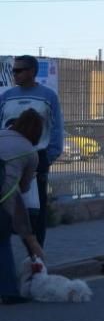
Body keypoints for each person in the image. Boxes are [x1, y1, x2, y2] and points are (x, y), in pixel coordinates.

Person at [0, 55, 63, 249]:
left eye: (19, 70)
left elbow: (56, 128)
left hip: (37, 158)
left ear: (32, 72)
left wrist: (48, 158)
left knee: (36, 209)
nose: (15, 74)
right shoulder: (6, 97)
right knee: (5, 207)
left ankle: (36, 257)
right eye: (13, 70)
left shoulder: (48, 96)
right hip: (7, 159)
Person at [0, 109, 45, 304]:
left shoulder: (1, 133)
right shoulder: (30, 152)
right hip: (3, 198)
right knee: (2, 241)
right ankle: (9, 291)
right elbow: (24, 188)